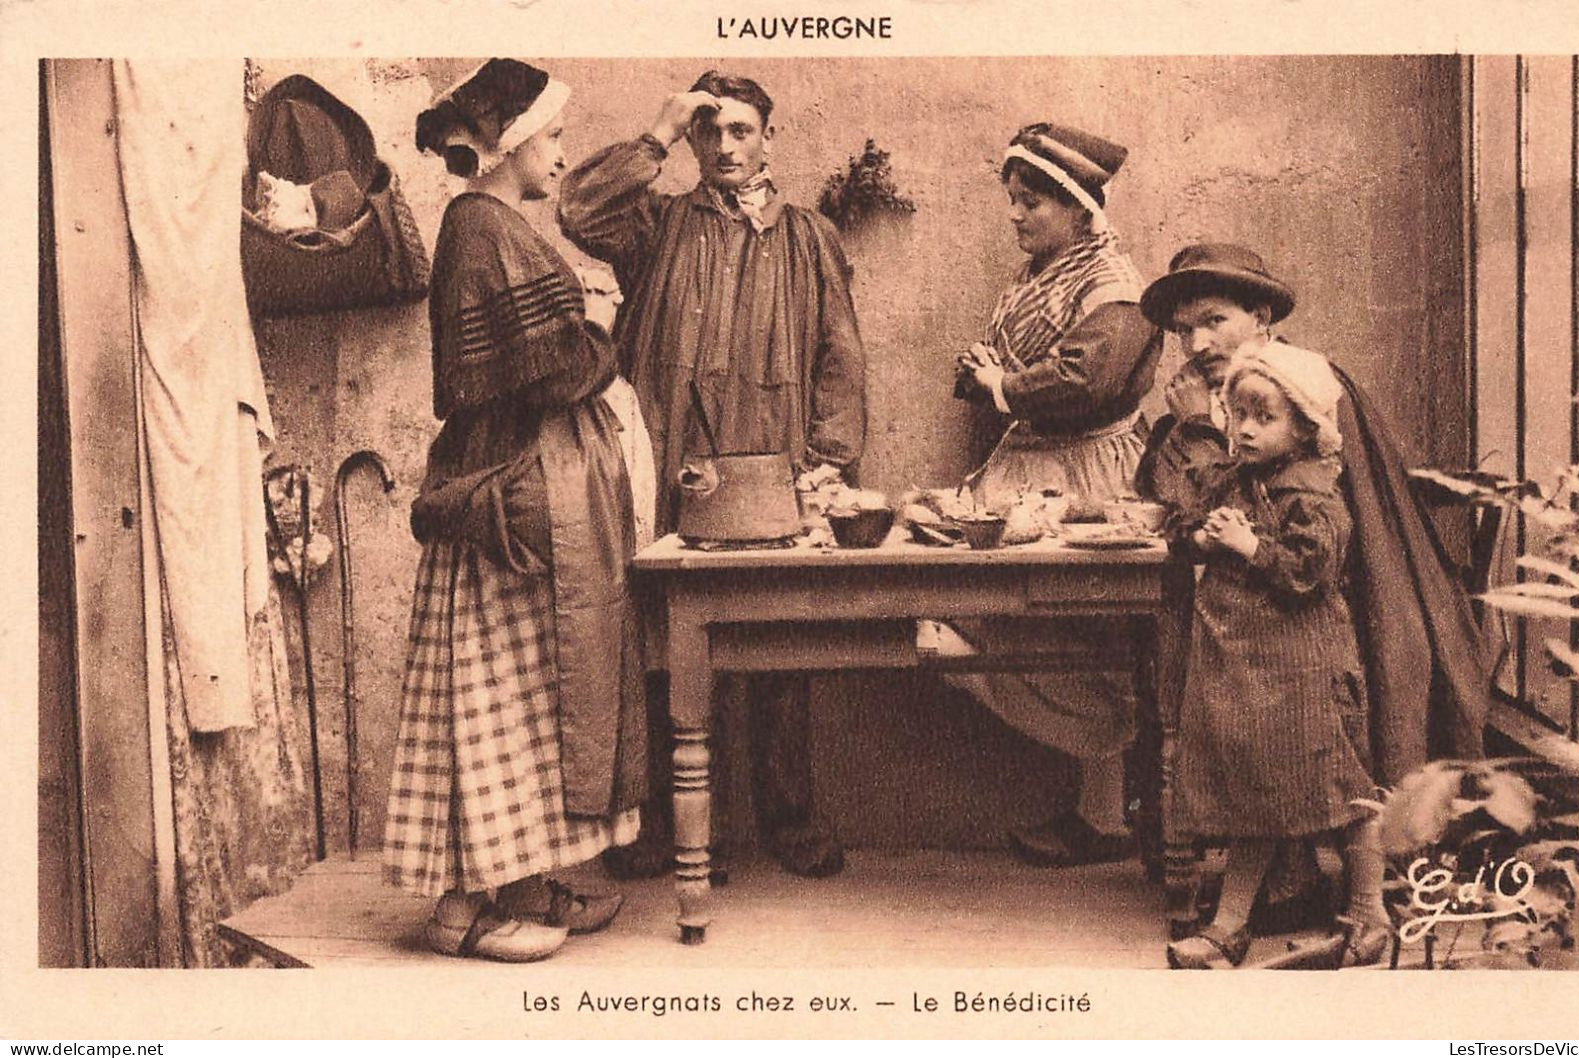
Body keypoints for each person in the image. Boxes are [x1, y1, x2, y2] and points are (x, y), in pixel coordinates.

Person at [1137, 243, 1491, 948]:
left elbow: (1332, 544)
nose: (1197, 341)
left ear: (1260, 315)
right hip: (1242, 632)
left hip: (1329, 620)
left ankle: (1333, 895)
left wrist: (1205, 433)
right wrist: (1189, 433)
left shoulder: (1305, 390)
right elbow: (1171, 499)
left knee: (1322, 765)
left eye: (1214, 320)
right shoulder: (1221, 402)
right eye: (1183, 329)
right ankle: (1248, 889)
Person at [559, 71, 865, 879]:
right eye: (709, 131)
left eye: (740, 130)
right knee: (660, 647)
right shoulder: (654, 224)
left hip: (773, 466)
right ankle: (663, 826)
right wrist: (656, 133)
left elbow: (839, 355)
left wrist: (830, 464)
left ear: (769, 137)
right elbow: (575, 210)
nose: (725, 147)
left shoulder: (807, 236)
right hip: (668, 467)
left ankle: (788, 821)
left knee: (777, 644)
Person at [382, 59, 648, 962]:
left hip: (520, 473)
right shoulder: (483, 226)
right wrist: (603, 326)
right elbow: (556, 370)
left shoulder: (490, 223)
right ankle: (464, 912)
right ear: (508, 143)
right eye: (556, 138)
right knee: (488, 696)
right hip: (504, 480)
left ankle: (529, 881)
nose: (563, 156)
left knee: (530, 694)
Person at [924, 122, 1160, 869]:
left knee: (1088, 642)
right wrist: (987, 377)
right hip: (1027, 461)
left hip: (1089, 471)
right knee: (949, 627)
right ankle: (1108, 800)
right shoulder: (1040, 276)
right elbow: (1005, 372)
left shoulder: (1112, 286)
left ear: (1077, 205)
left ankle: (1110, 814)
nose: (1017, 216)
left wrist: (1001, 384)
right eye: (1014, 201)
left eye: (1032, 203)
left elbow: (1085, 380)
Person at [1158, 343, 1389, 968]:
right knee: (1256, 795)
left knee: (1345, 794)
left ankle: (1372, 917)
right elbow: (1179, 524)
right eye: (1238, 414)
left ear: (1307, 427)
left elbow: (1307, 575)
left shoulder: (1312, 493)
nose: (1247, 429)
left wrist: (1247, 545)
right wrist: (1199, 537)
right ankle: (1230, 927)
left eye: (1265, 417)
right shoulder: (1233, 479)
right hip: (1248, 672)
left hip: (1305, 673)